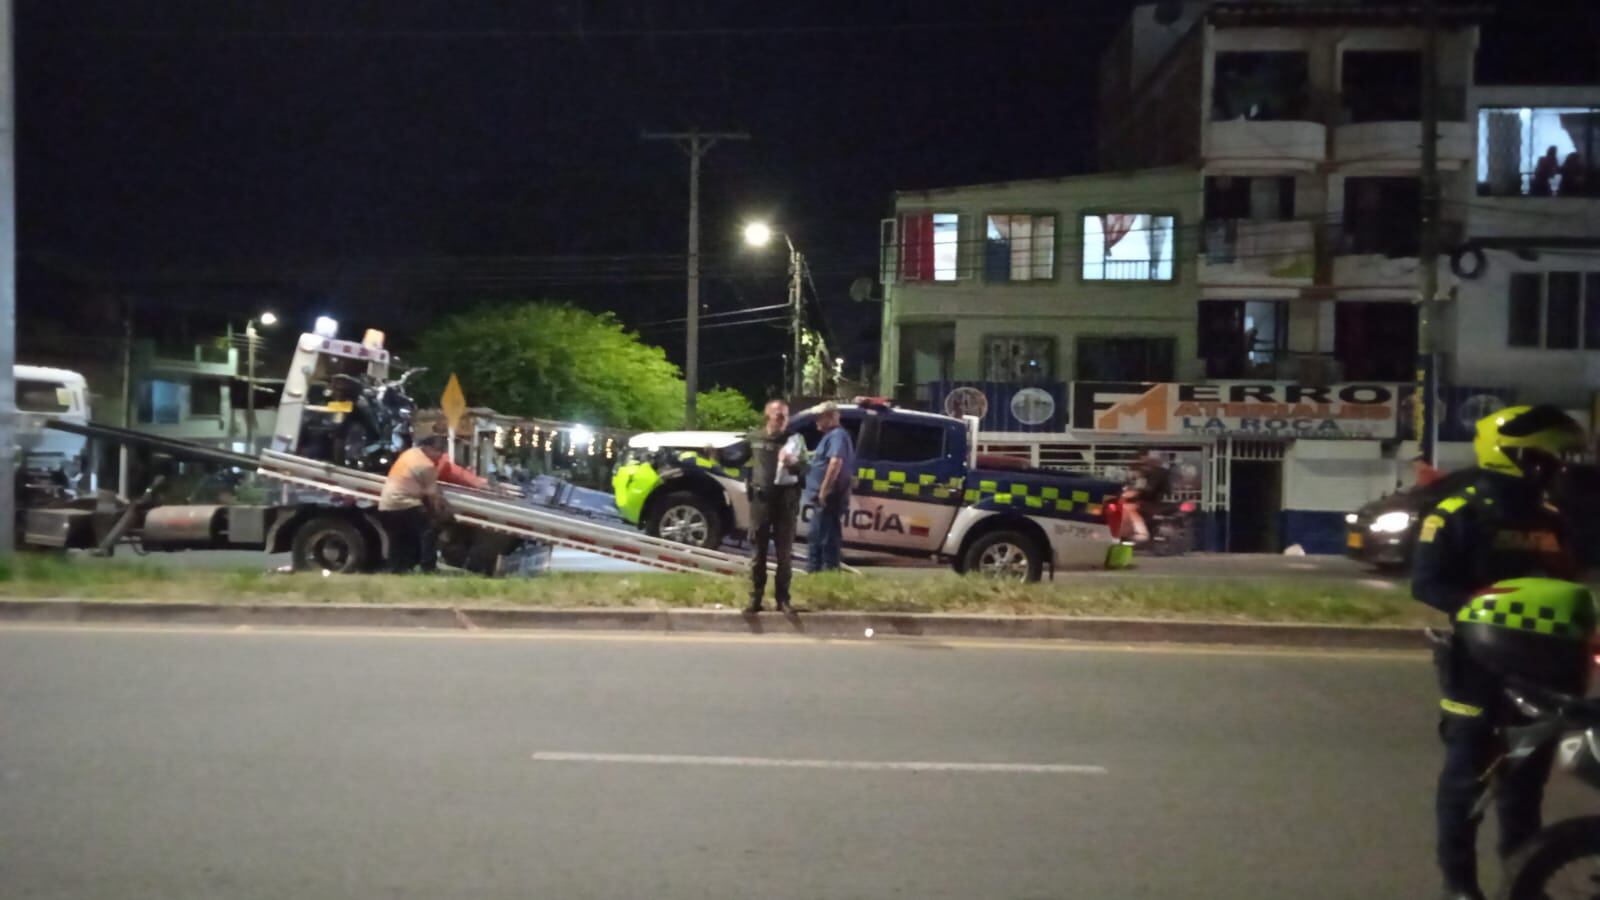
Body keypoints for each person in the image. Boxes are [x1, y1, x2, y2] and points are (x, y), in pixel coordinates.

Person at [1412, 405, 1587, 900]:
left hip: (1543, 669)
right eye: (1548, 458)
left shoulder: (1551, 519)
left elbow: (1564, 584)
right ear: (1515, 456)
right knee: (1466, 784)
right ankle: (1459, 886)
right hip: (1478, 668)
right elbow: (1428, 584)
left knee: (1525, 789)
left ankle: (1524, 879)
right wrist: (1485, 611)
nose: (1556, 468)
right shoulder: (1458, 512)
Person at [744, 399, 806, 613]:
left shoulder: (795, 440)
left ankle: (783, 599)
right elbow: (735, 458)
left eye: (785, 416)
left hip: (786, 501)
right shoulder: (754, 438)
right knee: (758, 552)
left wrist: (794, 463)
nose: (782, 419)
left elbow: (807, 468)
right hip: (761, 501)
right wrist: (714, 455)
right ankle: (755, 598)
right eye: (778, 415)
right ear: (767, 415)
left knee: (784, 553)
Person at [379, 435, 450, 574]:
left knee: (397, 538)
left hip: (387, 503)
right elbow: (432, 495)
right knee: (429, 530)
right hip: (405, 502)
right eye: (438, 451)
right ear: (428, 448)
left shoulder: (409, 453)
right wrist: (440, 513)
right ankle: (428, 567)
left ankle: (396, 568)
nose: (440, 455)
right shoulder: (427, 465)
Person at [803, 402, 854, 572]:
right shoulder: (831, 436)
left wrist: (824, 491)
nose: (816, 421)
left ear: (831, 417)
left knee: (823, 537)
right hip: (826, 498)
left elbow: (835, 463)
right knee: (820, 535)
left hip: (829, 498)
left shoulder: (837, 435)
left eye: (819, 417)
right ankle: (820, 572)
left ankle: (821, 572)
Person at [1120, 451, 1170, 543]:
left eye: (1145, 459)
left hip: (1153, 502)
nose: (1144, 462)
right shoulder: (1146, 471)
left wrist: (1135, 492)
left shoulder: (1158, 472)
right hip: (1146, 499)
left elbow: (1149, 489)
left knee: (1129, 508)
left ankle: (1142, 533)